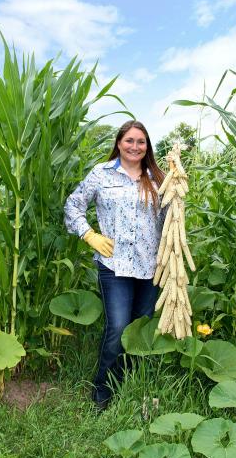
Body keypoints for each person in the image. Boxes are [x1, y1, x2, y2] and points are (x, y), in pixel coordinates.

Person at [64, 120, 165, 411]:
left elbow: (170, 218)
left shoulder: (157, 178)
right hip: (114, 265)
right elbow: (73, 205)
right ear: (119, 143)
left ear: (147, 146)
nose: (135, 147)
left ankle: (129, 384)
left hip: (150, 267)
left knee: (139, 329)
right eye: (130, 140)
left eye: (141, 142)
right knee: (118, 327)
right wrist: (89, 234)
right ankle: (103, 393)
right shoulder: (102, 173)